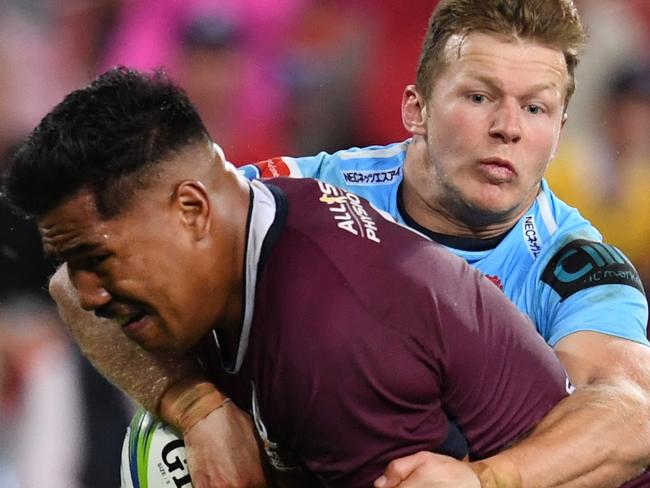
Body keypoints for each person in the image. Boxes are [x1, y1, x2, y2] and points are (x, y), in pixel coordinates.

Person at [16, 0, 650, 486]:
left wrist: (487, 479)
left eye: (536, 108)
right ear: (415, 109)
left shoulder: (573, 266)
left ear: (561, 130)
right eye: (479, 96)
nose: (507, 128)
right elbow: (83, 281)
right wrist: (196, 405)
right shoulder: (311, 189)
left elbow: (631, 417)